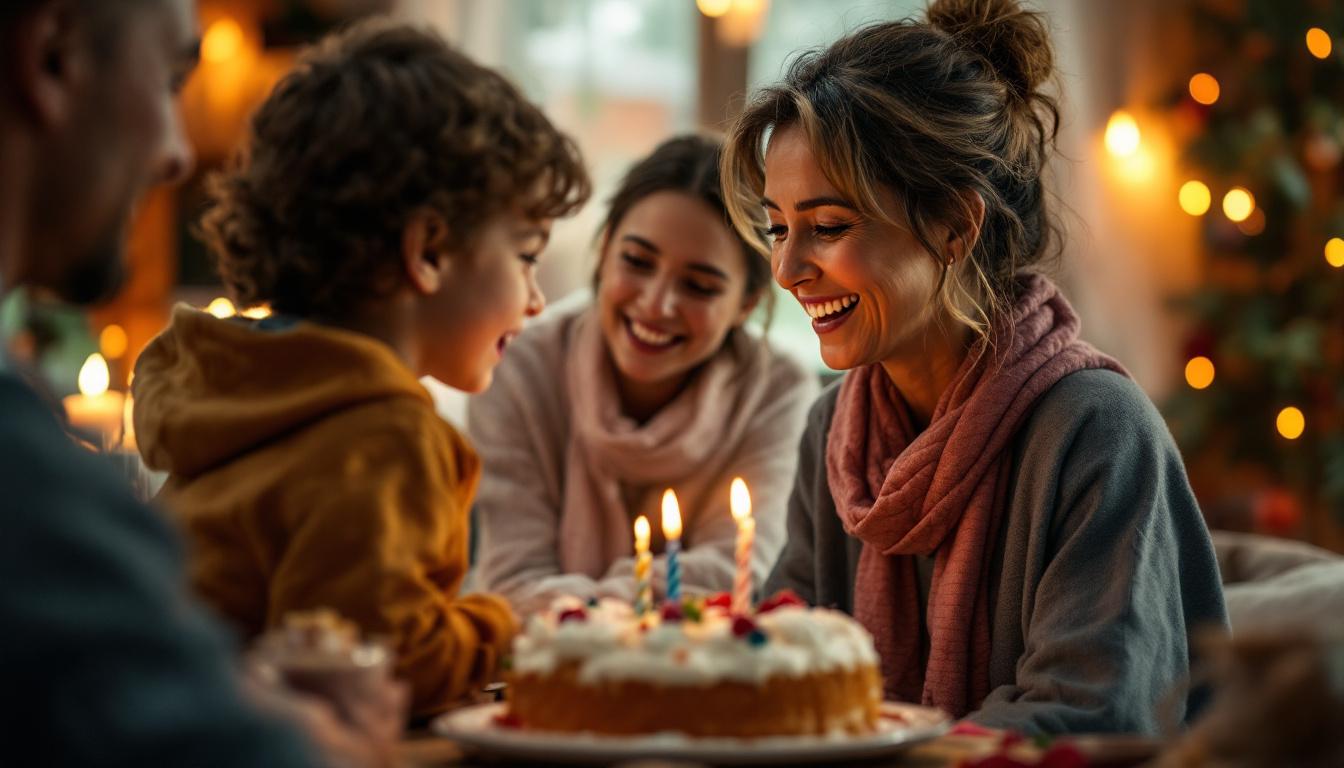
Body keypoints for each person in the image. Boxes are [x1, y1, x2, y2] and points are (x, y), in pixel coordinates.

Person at [721, 0, 1227, 735]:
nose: (787, 268)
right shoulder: (835, 432)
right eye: (777, 229)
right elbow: (782, 664)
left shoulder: (1097, 434)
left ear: (956, 224)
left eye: (827, 227)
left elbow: (1091, 717)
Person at [130, 19, 590, 721]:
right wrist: (508, 626)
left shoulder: (241, 393)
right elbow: (384, 663)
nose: (535, 300)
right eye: (525, 255)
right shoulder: (383, 435)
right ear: (428, 251)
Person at [0, 0, 390, 764]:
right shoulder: (28, 497)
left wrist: (217, 691)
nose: (179, 155)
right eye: (173, 79)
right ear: (52, 58)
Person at [469, 135, 817, 615]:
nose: (656, 304)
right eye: (636, 262)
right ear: (604, 249)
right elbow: (513, 581)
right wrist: (633, 608)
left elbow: (735, 567)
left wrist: (597, 610)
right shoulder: (517, 365)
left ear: (746, 305)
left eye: (699, 286)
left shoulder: (776, 390)